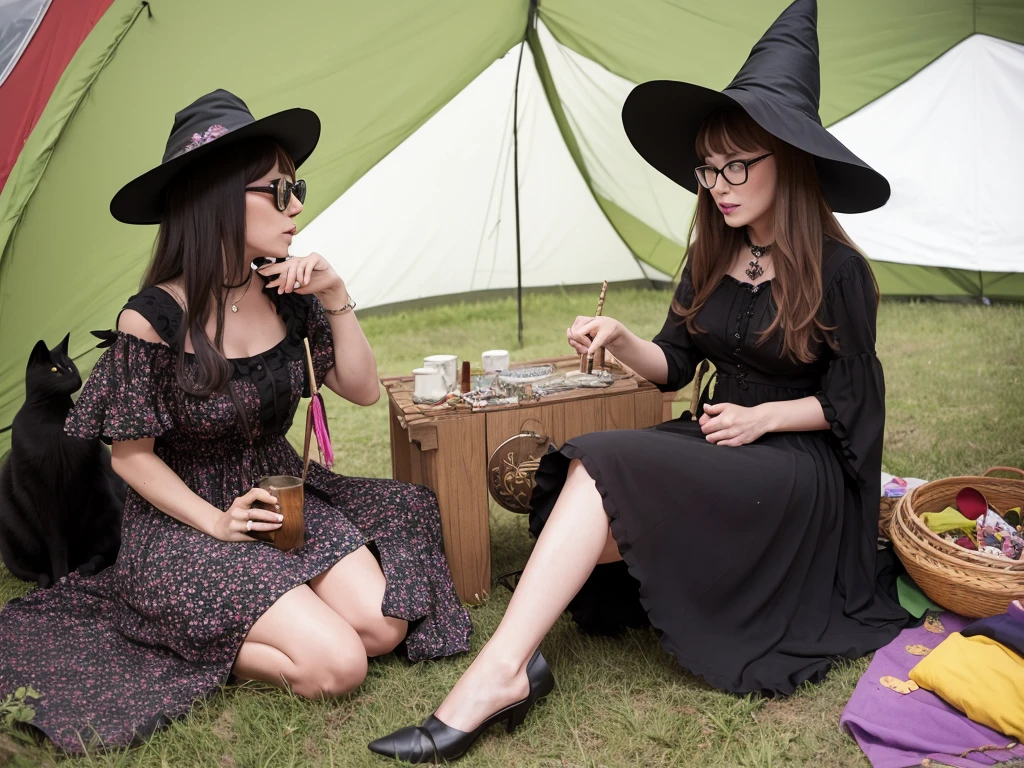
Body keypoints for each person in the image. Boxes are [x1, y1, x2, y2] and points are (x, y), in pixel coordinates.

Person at [368, 0, 909, 762]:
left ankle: (497, 674)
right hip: (719, 442)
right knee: (602, 466)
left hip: (797, 465)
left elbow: (855, 404)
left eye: (736, 166)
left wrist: (765, 420)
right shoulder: (712, 255)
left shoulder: (839, 269)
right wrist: (623, 339)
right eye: (708, 168)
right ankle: (510, 666)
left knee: (604, 463)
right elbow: (675, 366)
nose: (717, 184)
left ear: (787, 161)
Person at [0, 89, 471, 752]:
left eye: (296, 188)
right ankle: (188, 632)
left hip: (279, 499)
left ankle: (262, 608)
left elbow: (363, 390)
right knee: (338, 664)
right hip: (185, 523)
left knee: (383, 626)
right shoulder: (152, 320)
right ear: (219, 196)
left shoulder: (287, 291)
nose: (297, 206)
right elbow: (132, 458)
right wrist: (216, 523)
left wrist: (335, 297)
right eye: (278, 191)